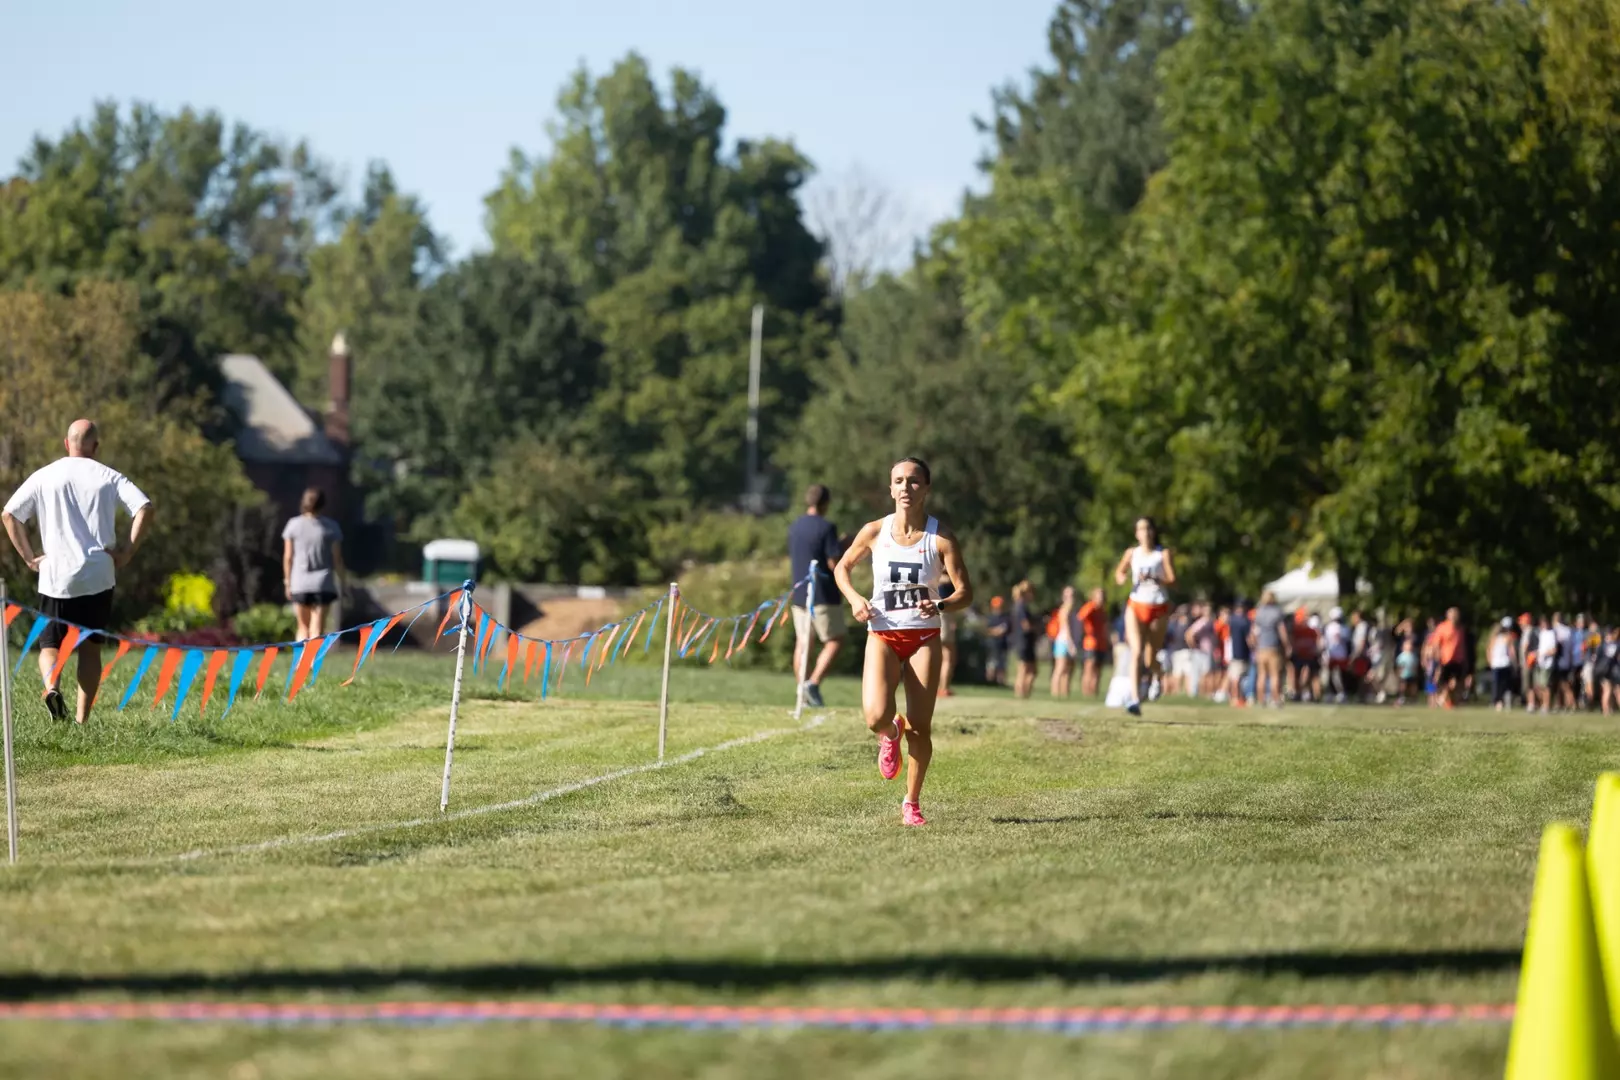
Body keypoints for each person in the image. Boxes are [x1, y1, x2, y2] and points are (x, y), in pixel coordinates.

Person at [832, 457, 973, 828]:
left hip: (924, 636)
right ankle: (889, 732)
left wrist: (940, 603)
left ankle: (911, 802)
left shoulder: (940, 538)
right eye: (899, 481)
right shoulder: (874, 531)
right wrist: (855, 599)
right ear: (890, 489)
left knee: (921, 727)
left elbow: (965, 593)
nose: (906, 488)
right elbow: (841, 568)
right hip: (882, 632)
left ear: (926, 488)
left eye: (913, 481)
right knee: (874, 716)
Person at [2, 419, 153, 724]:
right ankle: (82, 721)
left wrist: (30, 558)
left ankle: (52, 687)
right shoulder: (109, 477)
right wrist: (127, 552)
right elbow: (145, 508)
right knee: (90, 649)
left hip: (56, 575)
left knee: (49, 644)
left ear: (65, 443)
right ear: (95, 447)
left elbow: (9, 514)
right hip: (98, 575)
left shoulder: (45, 475)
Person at [787, 483, 846, 708]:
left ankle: (802, 689)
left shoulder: (795, 526)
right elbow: (833, 562)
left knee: (803, 642)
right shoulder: (826, 527)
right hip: (823, 594)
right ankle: (813, 683)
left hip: (800, 592)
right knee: (834, 640)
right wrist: (843, 546)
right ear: (826, 503)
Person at [1112, 516, 1176, 716]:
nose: (1145, 532)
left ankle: (1158, 675)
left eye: (1148, 528)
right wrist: (1122, 578)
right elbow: (1119, 573)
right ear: (1136, 533)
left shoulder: (1162, 554)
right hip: (1136, 605)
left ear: (1153, 531)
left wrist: (1156, 578)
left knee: (1150, 659)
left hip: (1158, 607)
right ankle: (1135, 699)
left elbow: (1173, 579)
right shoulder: (1132, 553)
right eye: (1140, 529)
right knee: (1136, 651)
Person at [282, 487, 346, 642]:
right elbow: (337, 559)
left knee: (302, 627)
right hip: (323, 584)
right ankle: (312, 662)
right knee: (317, 628)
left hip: (299, 583)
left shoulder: (293, 525)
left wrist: (287, 582)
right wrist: (343, 583)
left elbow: (288, 557)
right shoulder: (331, 527)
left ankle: (300, 663)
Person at [1252, 591, 1289, 708]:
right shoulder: (1277, 612)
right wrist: (1287, 645)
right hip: (1273, 647)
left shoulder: (1259, 612)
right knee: (1274, 675)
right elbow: (1282, 630)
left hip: (1261, 648)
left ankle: (1261, 700)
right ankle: (1276, 699)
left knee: (1262, 675)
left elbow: (1253, 633)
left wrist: (1255, 645)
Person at [1077, 588, 1110, 698]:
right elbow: (1080, 617)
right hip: (1090, 643)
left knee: (1098, 670)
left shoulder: (1103, 611)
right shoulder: (1090, 607)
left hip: (1102, 644)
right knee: (1089, 668)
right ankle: (1086, 692)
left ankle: (1094, 692)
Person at [1009, 581, 1039, 699]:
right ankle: (1022, 694)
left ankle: (1023, 694)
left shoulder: (1018, 606)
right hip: (1024, 641)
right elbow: (1026, 625)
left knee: (1029, 670)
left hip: (1023, 641)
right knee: (1025, 670)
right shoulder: (1021, 606)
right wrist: (1037, 626)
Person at [1049, 585, 1077, 698]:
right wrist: (1070, 644)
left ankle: (1064, 693)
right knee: (1060, 669)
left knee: (1068, 670)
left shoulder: (1072, 609)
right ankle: (1055, 693)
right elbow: (1066, 628)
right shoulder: (1065, 610)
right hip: (1063, 641)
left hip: (1067, 641)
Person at [1224, 599, 1252, 707]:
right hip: (1242, 652)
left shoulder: (1231, 620)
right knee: (1238, 678)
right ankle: (1236, 698)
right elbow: (1249, 638)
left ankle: (1235, 698)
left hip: (1233, 651)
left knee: (1234, 677)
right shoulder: (1245, 621)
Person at [1489, 616, 1519, 711]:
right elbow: (1511, 652)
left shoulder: (1495, 638)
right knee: (1503, 684)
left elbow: (1489, 651)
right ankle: (1500, 701)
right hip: (1503, 663)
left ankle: (1499, 701)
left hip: (1500, 663)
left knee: (1498, 684)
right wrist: (1515, 663)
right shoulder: (1507, 638)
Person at [983, 596, 1010, 686]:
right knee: (991, 665)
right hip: (992, 644)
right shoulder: (990, 618)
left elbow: (1005, 629)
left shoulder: (1005, 617)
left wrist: (996, 631)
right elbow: (988, 630)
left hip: (1002, 645)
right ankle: (990, 682)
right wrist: (996, 631)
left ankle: (1001, 683)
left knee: (1002, 665)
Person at [1396, 638, 1422, 705]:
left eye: (1410, 645)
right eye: (1407, 645)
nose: (1409, 646)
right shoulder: (1402, 656)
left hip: (1412, 674)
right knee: (1402, 686)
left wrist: (1416, 672)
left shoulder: (1414, 656)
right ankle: (1401, 698)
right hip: (1404, 675)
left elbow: (1415, 665)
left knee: (1413, 687)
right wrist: (1399, 673)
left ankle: (1414, 699)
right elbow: (1399, 666)